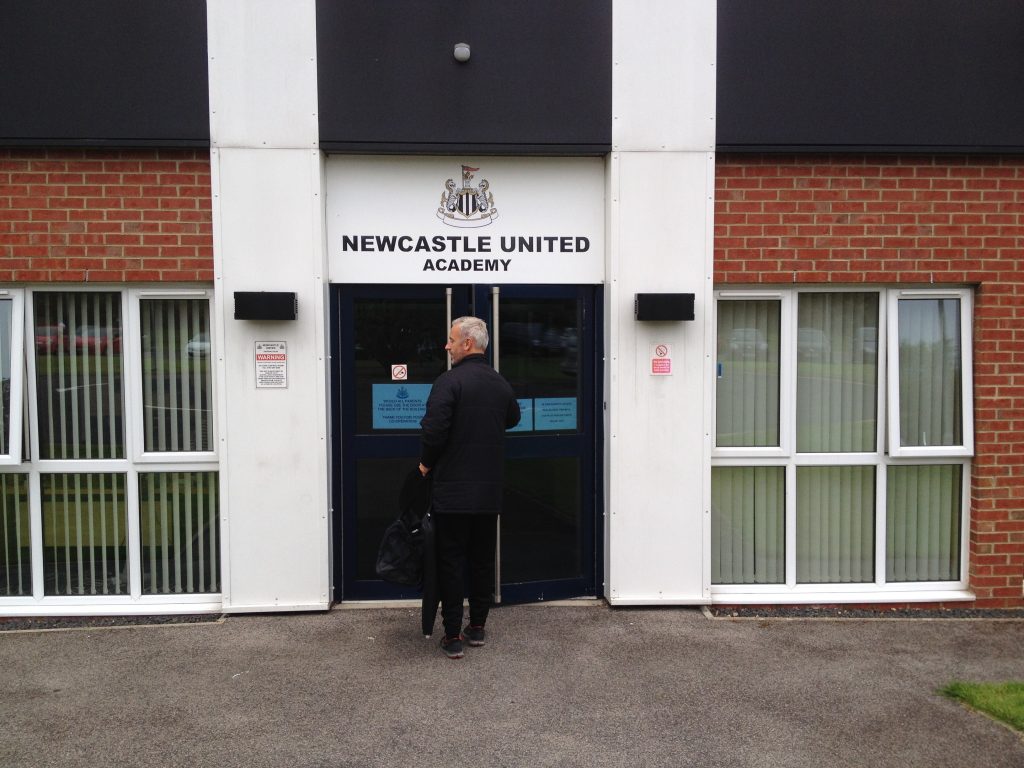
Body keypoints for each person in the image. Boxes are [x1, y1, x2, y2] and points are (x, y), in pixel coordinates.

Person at [419, 316, 520, 659]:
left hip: (452, 493)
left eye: (451, 340)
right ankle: (476, 627)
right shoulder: (499, 383)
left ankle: (452, 635)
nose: (446, 346)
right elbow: (513, 418)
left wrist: (425, 463)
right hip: (488, 492)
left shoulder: (448, 382)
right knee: (481, 560)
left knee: (450, 562)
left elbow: (434, 431)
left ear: (467, 343)